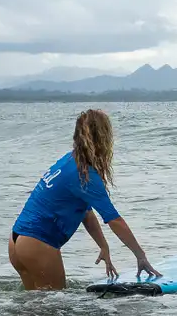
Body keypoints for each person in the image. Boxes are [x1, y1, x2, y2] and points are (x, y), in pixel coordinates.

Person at [8, 109, 159, 291]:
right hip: (38, 243)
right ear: (102, 138)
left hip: (17, 241)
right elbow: (114, 220)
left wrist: (103, 246)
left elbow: (86, 213)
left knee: (34, 309)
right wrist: (140, 256)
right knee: (53, 309)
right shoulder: (84, 174)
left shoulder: (68, 161)